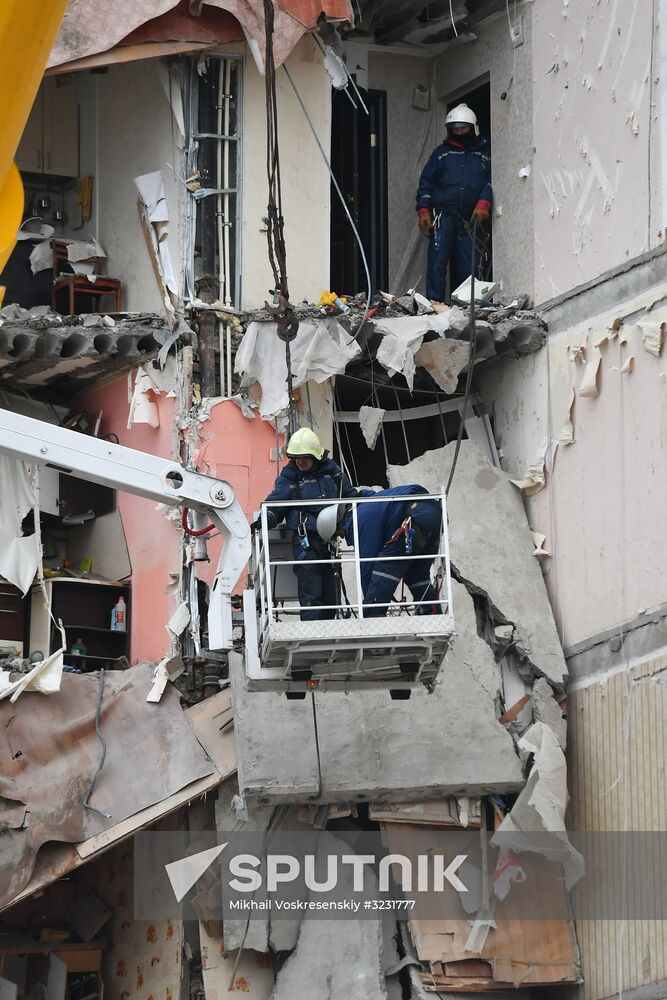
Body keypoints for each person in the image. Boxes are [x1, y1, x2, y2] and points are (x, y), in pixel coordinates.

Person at [255, 427, 357, 622]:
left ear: (316, 457)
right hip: (306, 543)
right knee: (311, 593)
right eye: (296, 457)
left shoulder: (334, 473)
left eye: (304, 457)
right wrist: (264, 520)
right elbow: (276, 505)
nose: (300, 461)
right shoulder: (290, 477)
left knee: (331, 596)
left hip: (331, 543)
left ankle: (327, 635)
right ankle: (310, 632)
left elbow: (350, 497)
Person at [318, 485, 443, 617]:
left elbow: (368, 563)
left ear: (338, 523)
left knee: (384, 568)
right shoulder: (369, 505)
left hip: (415, 518)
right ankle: (431, 612)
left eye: (338, 533)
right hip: (434, 514)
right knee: (416, 574)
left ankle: (374, 616)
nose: (342, 537)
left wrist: (368, 604)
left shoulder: (359, 518)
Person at [416, 103, 492, 304]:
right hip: (444, 217)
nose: (458, 132)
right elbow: (426, 183)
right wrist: (423, 211)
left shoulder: (485, 153)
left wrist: (484, 202)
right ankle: (434, 305)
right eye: (455, 129)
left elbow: (492, 180)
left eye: (463, 128)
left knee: (468, 266)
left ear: (473, 127)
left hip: (470, 220)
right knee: (437, 263)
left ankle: (466, 308)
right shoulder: (441, 153)